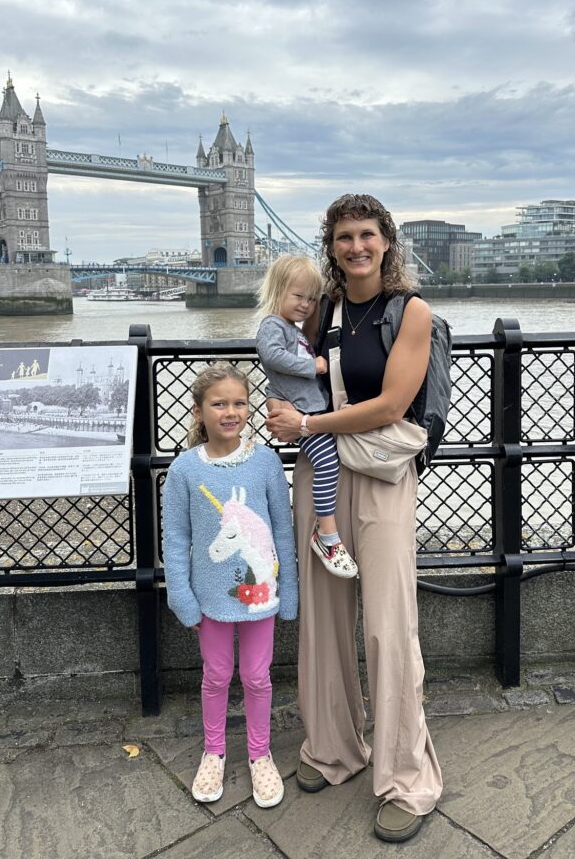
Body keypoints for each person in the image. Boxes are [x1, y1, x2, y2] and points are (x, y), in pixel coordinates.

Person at [265, 193, 443, 843]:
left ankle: (405, 779)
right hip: (320, 478)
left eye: (367, 235)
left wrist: (306, 422)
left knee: (388, 629)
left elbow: (393, 405)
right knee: (324, 619)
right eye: (344, 237)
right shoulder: (322, 312)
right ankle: (333, 748)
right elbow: (285, 366)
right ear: (332, 246)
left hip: (381, 481)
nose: (356, 247)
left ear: (386, 242)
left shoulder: (410, 312)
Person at [162, 362, 298, 809]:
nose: (231, 411)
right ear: (199, 411)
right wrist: (180, 592)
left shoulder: (265, 462)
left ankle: (260, 754)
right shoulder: (184, 470)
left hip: (262, 596)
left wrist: (290, 589)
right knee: (216, 675)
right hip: (209, 598)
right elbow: (177, 537)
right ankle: (214, 750)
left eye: (239, 402)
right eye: (219, 403)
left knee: (258, 677)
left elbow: (282, 529)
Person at [256, 254, 357, 578]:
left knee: (332, 461)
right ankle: (326, 534)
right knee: (328, 463)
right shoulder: (273, 324)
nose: (305, 305)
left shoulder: (292, 328)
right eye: (298, 296)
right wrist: (311, 365)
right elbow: (270, 355)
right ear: (277, 291)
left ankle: (327, 530)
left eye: (312, 299)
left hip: (310, 408)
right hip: (301, 411)